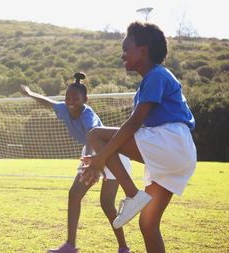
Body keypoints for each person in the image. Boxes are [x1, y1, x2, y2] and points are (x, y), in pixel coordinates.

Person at [80, 22, 197, 253]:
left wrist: (100, 159)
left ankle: (132, 194)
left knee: (96, 135)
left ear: (143, 50)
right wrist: (100, 160)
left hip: (170, 142)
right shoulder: (150, 81)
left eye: (126, 48)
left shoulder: (156, 75)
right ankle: (134, 196)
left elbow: (133, 124)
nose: (122, 54)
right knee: (148, 223)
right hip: (179, 154)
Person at [21, 73, 132, 253]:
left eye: (75, 98)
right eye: (67, 98)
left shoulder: (87, 114)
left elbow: (91, 137)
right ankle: (70, 246)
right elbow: (48, 103)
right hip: (90, 154)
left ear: (85, 99)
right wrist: (30, 93)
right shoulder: (64, 108)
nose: (70, 101)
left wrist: (91, 164)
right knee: (74, 195)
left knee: (106, 203)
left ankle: (123, 247)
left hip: (111, 154)